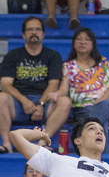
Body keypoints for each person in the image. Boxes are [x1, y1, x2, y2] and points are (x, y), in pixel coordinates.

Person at [0, 16, 71, 154]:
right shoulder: (12, 55)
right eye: (30, 29)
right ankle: (7, 144)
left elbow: (53, 84)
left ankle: (42, 143)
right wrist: (24, 101)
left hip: (45, 104)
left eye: (38, 29)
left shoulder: (53, 55)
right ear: (23, 34)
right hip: (18, 104)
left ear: (43, 34)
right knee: (1, 97)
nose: (34, 32)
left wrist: (41, 104)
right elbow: (6, 85)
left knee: (65, 101)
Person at [48, 27, 109, 153]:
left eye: (87, 39)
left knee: (103, 108)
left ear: (93, 44)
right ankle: (104, 158)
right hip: (82, 109)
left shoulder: (103, 62)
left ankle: (91, 148)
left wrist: (98, 102)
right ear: (74, 43)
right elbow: (64, 90)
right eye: (79, 39)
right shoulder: (68, 66)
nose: (83, 42)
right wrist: (55, 94)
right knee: (100, 121)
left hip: (107, 104)